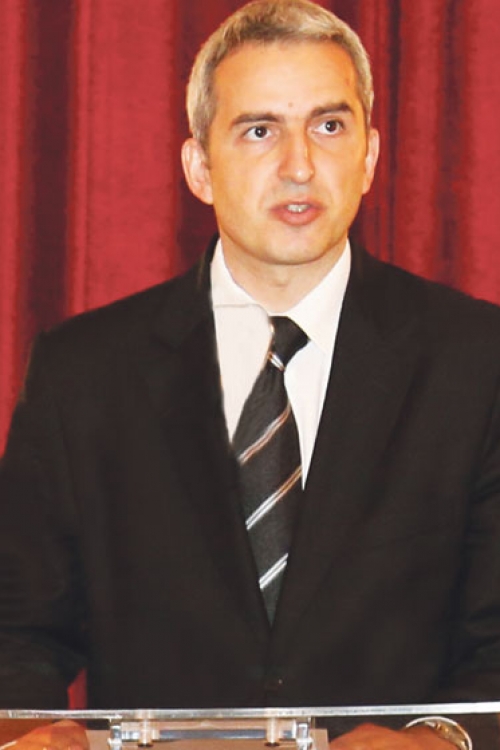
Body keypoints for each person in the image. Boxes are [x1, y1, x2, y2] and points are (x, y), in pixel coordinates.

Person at [1, 1, 500, 748]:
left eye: (328, 126)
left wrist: (440, 737)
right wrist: (36, 731)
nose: (299, 166)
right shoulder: (84, 373)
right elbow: (17, 633)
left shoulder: (477, 361)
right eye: (260, 130)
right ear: (199, 168)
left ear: (368, 156)